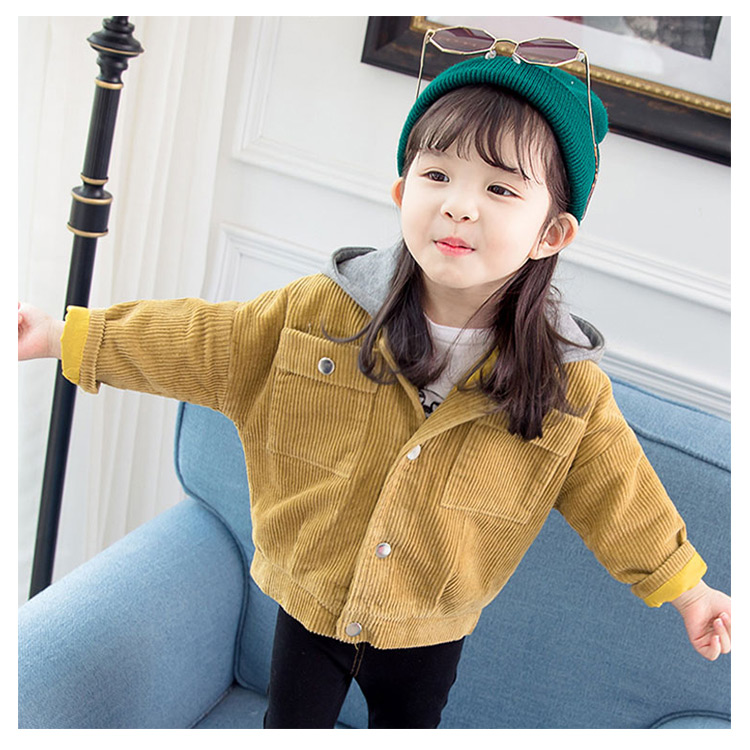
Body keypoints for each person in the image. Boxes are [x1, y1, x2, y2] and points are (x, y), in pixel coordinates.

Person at [18, 29, 731, 729]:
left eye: (500, 188)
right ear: (401, 190)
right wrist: (60, 336)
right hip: (312, 600)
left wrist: (689, 592)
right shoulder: (316, 313)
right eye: (437, 175)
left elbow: (622, 497)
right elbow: (201, 341)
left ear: (553, 233)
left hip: (430, 626)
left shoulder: (568, 391)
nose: (459, 204)